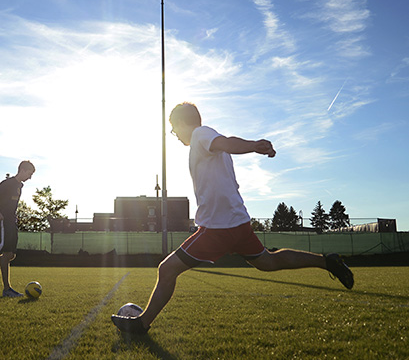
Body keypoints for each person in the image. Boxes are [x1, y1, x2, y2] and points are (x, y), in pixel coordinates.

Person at [111, 102, 354, 334]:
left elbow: (226, 142)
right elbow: (225, 152)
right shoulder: (209, 147)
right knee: (268, 262)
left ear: (183, 123)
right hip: (238, 222)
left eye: (174, 130)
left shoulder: (200, 134)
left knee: (167, 269)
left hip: (218, 228)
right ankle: (327, 262)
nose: (175, 135)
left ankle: (141, 325)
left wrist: (254, 145)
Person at [0, 160, 36, 297]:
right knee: (6, 253)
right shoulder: (7, 183)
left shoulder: (20, 186)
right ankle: (7, 289)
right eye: (29, 174)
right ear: (22, 170)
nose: (30, 177)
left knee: (11, 255)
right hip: (4, 222)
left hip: (12, 222)